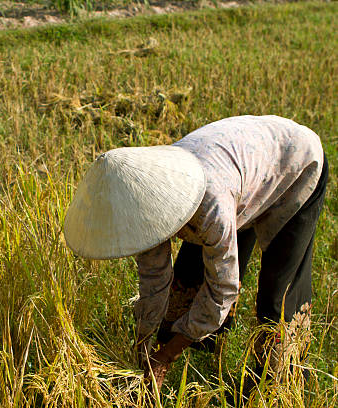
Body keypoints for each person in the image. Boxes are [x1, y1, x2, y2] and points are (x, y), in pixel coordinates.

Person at [63, 115, 328, 390]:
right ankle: (203, 347)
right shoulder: (141, 200)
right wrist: (142, 348)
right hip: (240, 172)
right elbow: (154, 280)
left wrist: (165, 356)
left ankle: (275, 384)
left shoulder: (210, 206)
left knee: (278, 296)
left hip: (295, 163)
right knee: (190, 277)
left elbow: (223, 289)